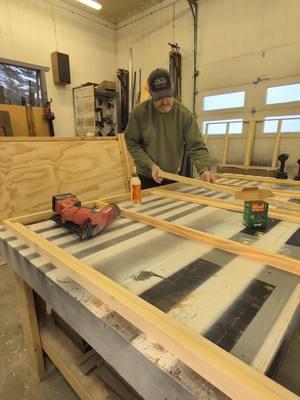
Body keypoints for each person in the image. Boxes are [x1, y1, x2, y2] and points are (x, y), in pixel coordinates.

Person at [125, 68, 214, 189]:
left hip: (172, 178)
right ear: (150, 93)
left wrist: (203, 169)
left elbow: (196, 146)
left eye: (168, 96)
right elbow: (132, 142)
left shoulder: (184, 114)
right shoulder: (139, 113)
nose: (165, 102)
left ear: (173, 88)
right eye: (159, 98)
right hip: (145, 178)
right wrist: (150, 165)